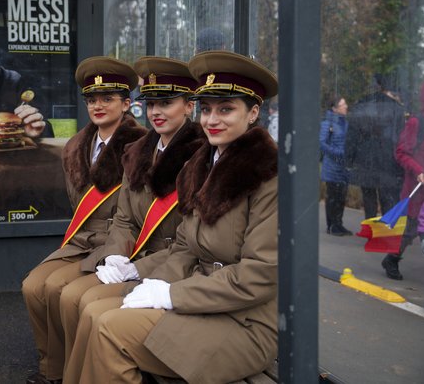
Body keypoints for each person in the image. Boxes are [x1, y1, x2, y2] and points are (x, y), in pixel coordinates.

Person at [76, 50, 279, 384]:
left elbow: (258, 274)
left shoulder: (268, 176)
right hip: (199, 297)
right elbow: (185, 247)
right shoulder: (201, 166)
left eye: (226, 109)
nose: (212, 119)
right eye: (208, 109)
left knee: (109, 329)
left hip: (245, 321)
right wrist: (147, 279)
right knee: (97, 313)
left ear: (253, 112)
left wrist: (171, 295)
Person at [60, 56, 205, 384]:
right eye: (152, 103)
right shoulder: (139, 150)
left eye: (166, 102)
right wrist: (116, 255)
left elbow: (190, 241)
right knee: (76, 298)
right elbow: (124, 218)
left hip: (171, 269)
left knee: (91, 306)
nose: (156, 111)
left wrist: (138, 268)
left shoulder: (200, 157)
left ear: (188, 107)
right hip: (135, 256)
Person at [22, 56, 147, 384]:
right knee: (32, 286)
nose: (98, 106)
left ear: (126, 104)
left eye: (108, 99)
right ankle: (53, 366)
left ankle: (75, 370)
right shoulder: (77, 145)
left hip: (117, 243)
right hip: (81, 239)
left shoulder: (141, 146)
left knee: (58, 289)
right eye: (92, 99)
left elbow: (140, 213)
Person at [345, 74, 405, 219]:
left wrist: (348, 159)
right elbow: (400, 137)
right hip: (388, 159)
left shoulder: (362, 104)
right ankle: (384, 232)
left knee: (369, 197)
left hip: (365, 158)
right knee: (387, 197)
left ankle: (371, 229)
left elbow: (352, 136)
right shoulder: (395, 107)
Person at [385, 80, 424, 279]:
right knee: (409, 231)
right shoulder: (417, 122)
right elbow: (401, 153)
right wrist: (419, 170)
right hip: (418, 189)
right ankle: (392, 259)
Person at [320, 96, 352, 236]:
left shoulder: (345, 123)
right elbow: (322, 143)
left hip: (344, 167)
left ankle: (339, 224)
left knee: (341, 197)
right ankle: (331, 225)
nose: (346, 107)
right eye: (343, 104)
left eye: (345, 104)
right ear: (335, 108)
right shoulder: (328, 124)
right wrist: (339, 153)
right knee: (333, 196)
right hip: (332, 167)